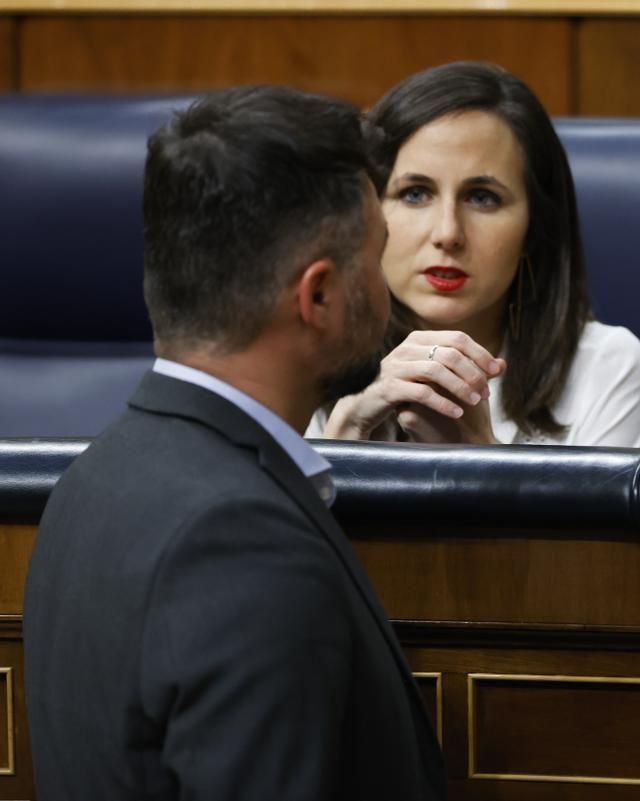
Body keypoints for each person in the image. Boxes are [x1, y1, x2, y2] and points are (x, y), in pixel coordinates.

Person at [23, 86, 446, 800]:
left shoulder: (88, 483)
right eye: (375, 258)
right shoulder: (248, 547)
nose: (386, 288)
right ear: (316, 296)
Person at [308, 62, 640, 446]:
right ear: (369, 216)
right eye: (415, 193)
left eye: (482, 198)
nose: (448, 234)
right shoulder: (317, 347)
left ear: (535, 229)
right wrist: (345, 432)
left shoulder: (602, 364)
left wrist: (479, 450)